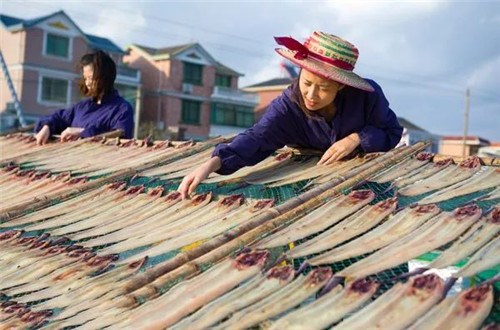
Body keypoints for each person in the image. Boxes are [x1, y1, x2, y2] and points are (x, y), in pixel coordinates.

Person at [178, 31, 403, 199]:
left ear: (341, 86)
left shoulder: (367, 96)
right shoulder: (288, 106)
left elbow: (392, 132)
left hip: (365, 190)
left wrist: (356, 139)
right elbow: (257, 138)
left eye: (324, 88)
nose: (311, 95)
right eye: (306, 83)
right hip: (306, 191)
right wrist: (211, 165)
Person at [34, 50, 134, 145]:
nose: (88, 83)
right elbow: (58, 118)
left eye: (91, 78)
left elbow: (120, 137)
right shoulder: (82, 107)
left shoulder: (122, 109)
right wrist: (47, 127)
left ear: (105, 77)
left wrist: (82, 132)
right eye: (85, 78)